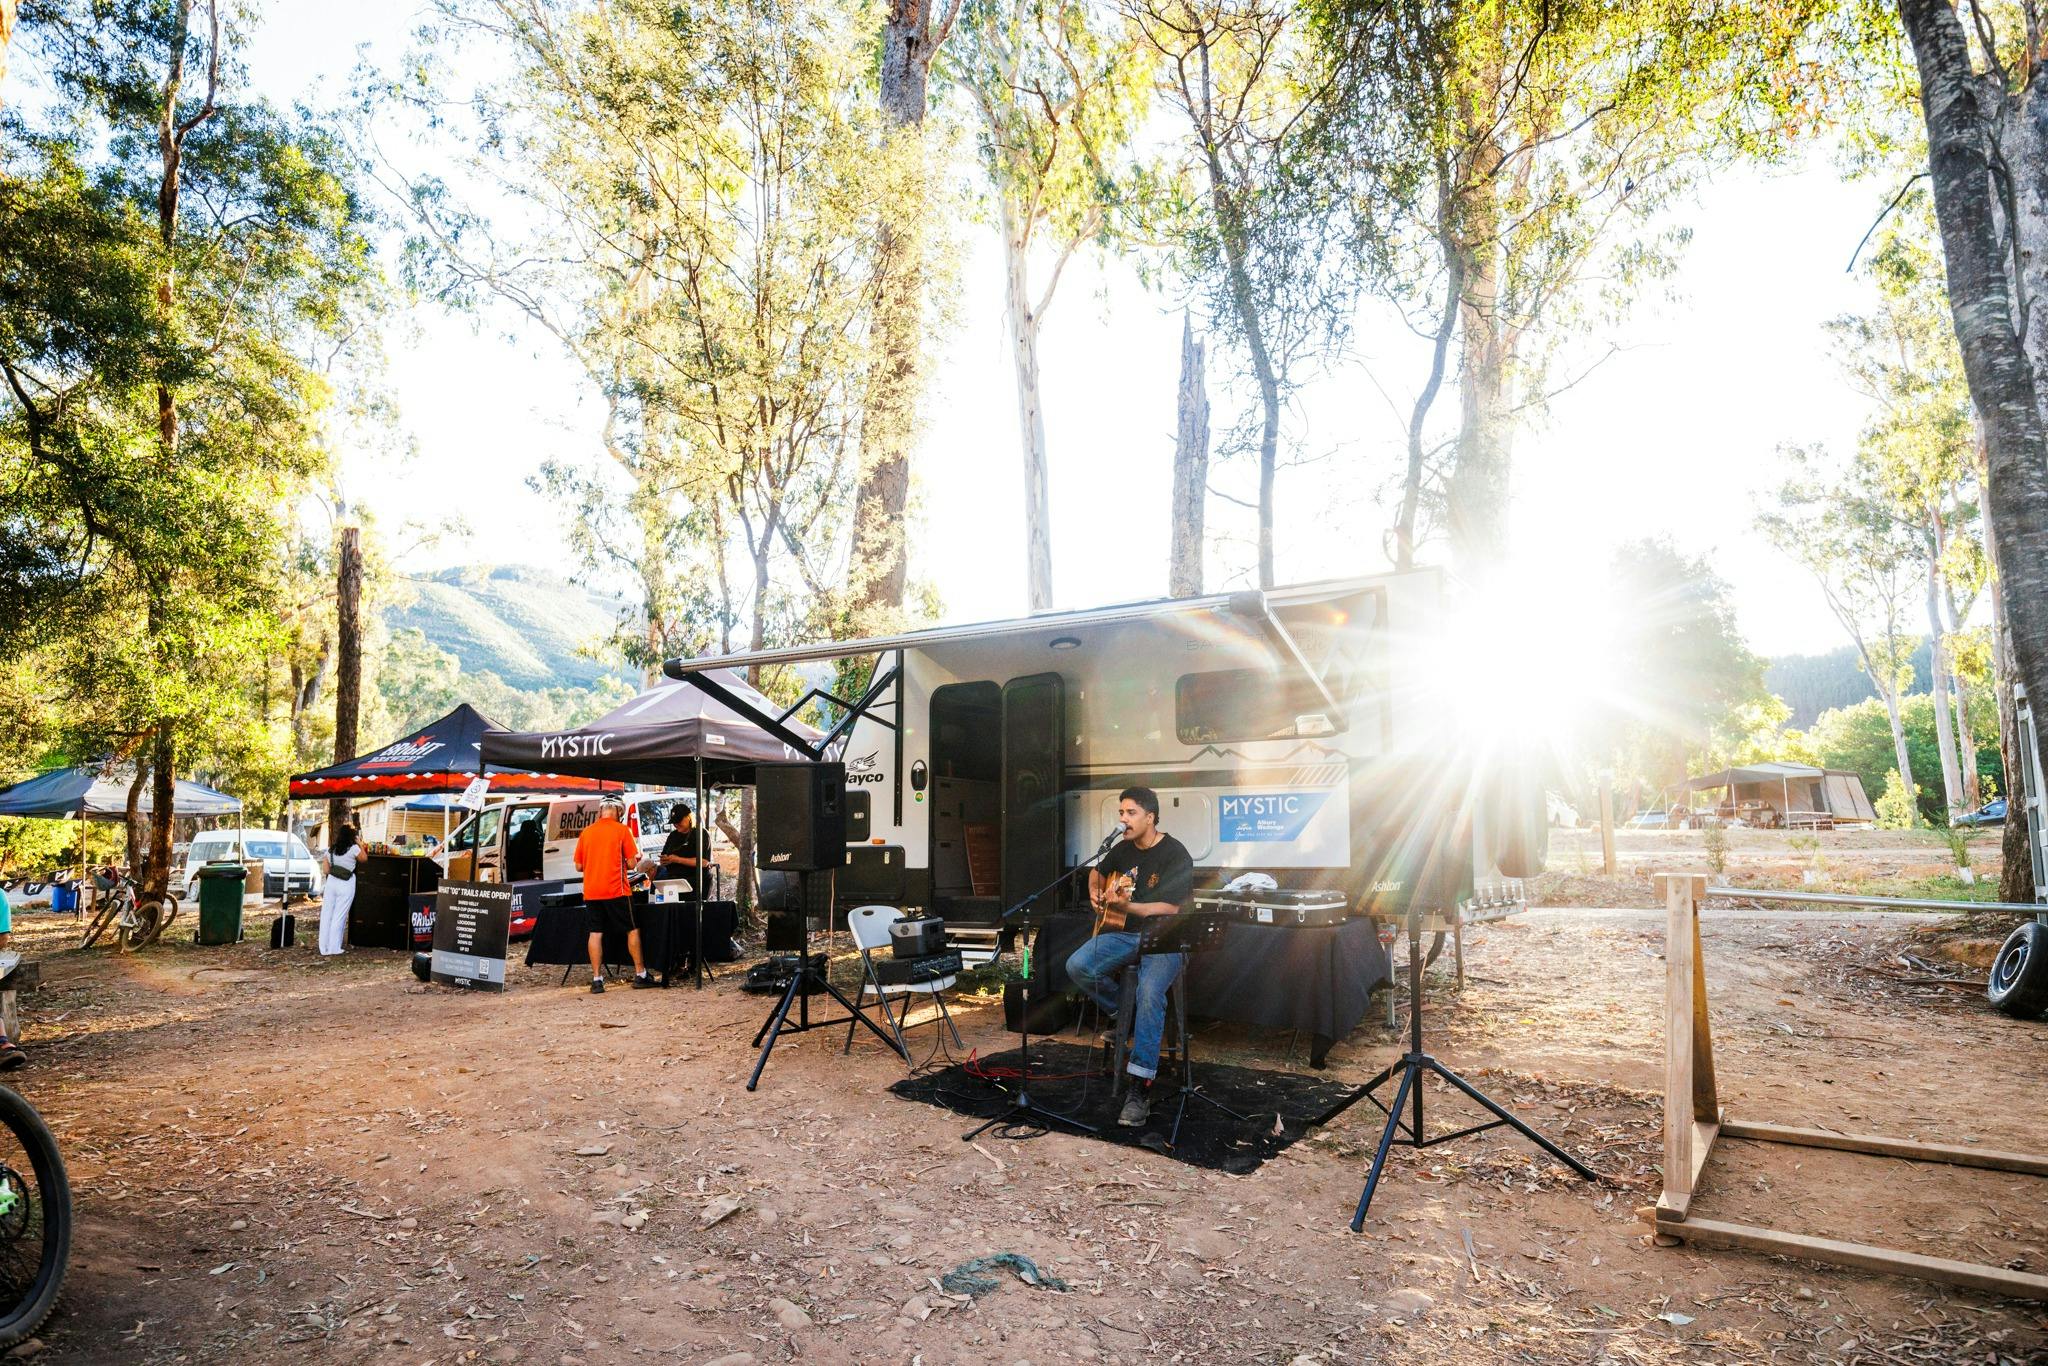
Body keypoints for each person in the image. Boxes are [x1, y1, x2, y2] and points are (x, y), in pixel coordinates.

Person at [1064, 787, 1195, 1128]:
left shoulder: (1175, 853)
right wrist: (1095, 889)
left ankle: (1140, 1087)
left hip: (1166, 938)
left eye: (1131, 812)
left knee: (1150, 993)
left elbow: (1169, 908)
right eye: (1121, 812)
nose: (1123, 819)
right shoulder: (1122, 849)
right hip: (1126, 934)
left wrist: (1127, 906)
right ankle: (1124, 1013)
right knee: (1077, 965)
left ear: (1150, 817)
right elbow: (1097, 870)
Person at [573, 798, 654, 993]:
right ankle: (641, 974)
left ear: (601, 811)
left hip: (592, 891)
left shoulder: (587, 832)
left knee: (595, 932)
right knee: (632, 929)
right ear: (618, 811)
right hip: (616, 889)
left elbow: (578, 866)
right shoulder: (621, 830)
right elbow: (632, 865)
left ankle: (597, 979)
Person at [320, 823, 359, 956]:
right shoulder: (354, 849)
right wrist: (360, 843)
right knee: (339, 915)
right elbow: (364, 858)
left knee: (326, 914)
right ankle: (334, 948)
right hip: (346, 884)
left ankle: (323, 947)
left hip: (331, 883)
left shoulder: (330, 850)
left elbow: (325, 870)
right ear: (352, 836)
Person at [656, 803, 704, 893]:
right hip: (672, 880)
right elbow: (664, 856)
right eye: (674, 822)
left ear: (688, 817)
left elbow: (704, 862)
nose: (676, 824)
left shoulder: (701, 834)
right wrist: (664, 860)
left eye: (679, 821)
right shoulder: (672, 835)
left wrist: (678, 860)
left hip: (693, 881)